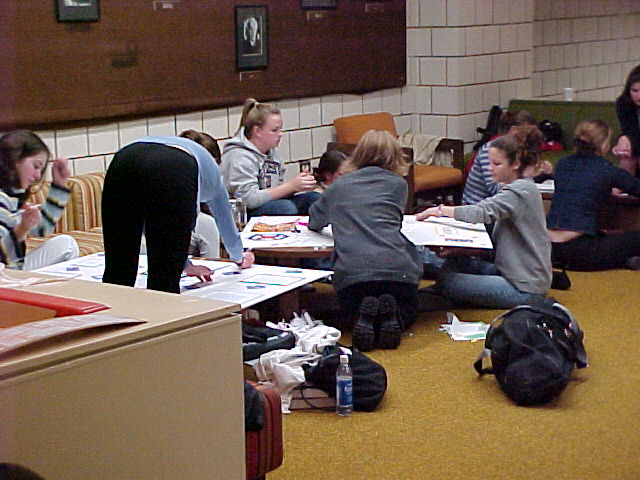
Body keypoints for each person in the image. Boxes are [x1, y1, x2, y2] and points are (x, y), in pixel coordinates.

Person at [308, 130, 422, 351]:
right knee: (408, 313)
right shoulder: (399, 185)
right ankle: (393, 316)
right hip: (397, 270)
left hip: (353, 273)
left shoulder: (339, 186)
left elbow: (315, 220)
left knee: (350, 314)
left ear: (358, 154)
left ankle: (362, 316)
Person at [416, 126, 551, 309]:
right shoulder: (514, 188)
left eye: (496, 164)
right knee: (455, 262)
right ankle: (446, 292)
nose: (490, 168)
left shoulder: (521, 190)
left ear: (515, 164)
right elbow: (497, 246)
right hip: (509, 272)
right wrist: (460, 251)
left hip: (524, 289)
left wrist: (440, 210)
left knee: (448, 281)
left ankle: (444, 292)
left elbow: (480, 212)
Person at [102, 133, 254, 294]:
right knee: (164, 278)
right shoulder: (212, 173)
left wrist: (185, 264)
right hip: (174, 165)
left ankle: (113, 307)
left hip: (124, 158)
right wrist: (239, 257)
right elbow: (224, 221)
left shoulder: (189, 154)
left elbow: (147, 221)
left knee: (118, 268)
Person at [548, 119, 640, 271]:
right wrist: (627, 160)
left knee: (606, 236)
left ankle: (627, 260)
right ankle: (627, 260)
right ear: (604, 145)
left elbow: (579, 189)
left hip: (548, 248)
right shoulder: (606, 169)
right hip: (581, 252)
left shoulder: (562, 163)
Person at [221, 98, 320, 217]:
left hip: (268, 204)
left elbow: (277, 191)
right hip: (243, 212)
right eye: (274, 130)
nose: (280, 134)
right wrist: (290, 186)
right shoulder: (239, 157)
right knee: (285, 208)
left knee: (315, 199)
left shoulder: (273, 153)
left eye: (280, 129)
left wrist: (298, 186)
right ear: (257, 131)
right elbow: (249, 200)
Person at [0, 130, 78, 271]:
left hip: (12, 270)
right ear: (15, 158)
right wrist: (21, 230)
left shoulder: (13, 197)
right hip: (6, 274)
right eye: (36, 166)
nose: (37, 176)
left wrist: (59, 184)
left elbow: (42, 228)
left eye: (41, 170)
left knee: (66, 244)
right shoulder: (2, 200)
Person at [463, 110, 540, 204]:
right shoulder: (492, 150)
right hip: (478, 204)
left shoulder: (520, 149)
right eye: (527, 133)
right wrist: (526, 175)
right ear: (514, 131)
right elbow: (495, 189)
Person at [613, 64, 640, 176]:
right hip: (636, 145)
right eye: (634, 90)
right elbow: (630, 131)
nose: (639, 96)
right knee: (626, 159)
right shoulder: (623, 103)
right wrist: (622, 143)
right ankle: (623, 186)